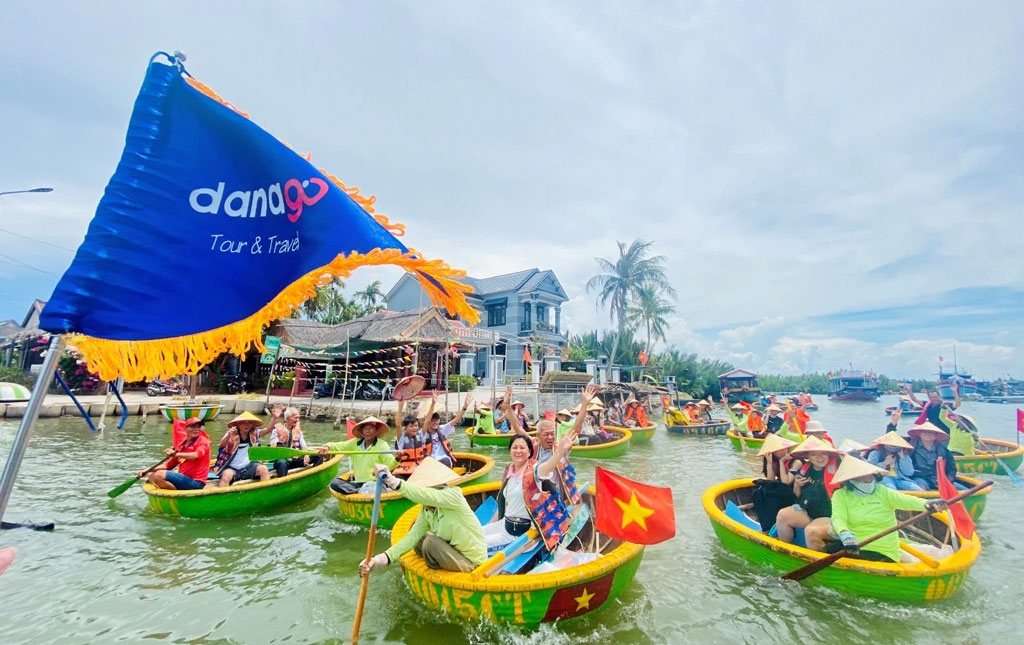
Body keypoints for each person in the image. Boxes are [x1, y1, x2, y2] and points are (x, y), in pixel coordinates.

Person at [360, 457, 486, 575]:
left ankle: (437, 573)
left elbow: (425, 495)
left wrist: (392, 481)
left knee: (430, 543)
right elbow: (412, 537)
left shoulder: (453, 495)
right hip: (452, 552)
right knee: (419, 538)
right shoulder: (427, 508)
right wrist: (381, 559)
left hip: (471, 562)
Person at [829, 456, 946, 562]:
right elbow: (838, 518)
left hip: (884, 551)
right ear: (851, 479)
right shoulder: (841, 495)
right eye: (860, 476)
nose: (867, 479)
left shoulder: (882, 491)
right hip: (853, 545)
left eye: (869, 474)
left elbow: (906, 500)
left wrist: (927, 504)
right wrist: (845, 534)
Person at [481, 428, 577, 550]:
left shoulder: (534, 470)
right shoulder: (510, 472)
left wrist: (560, 451)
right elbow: (503, 504)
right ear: (510, 451)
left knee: (476, 543)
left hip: (521, 533)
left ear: (529, 452)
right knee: (474, 533)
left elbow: (548, 467)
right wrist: (490, 525)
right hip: (506, 524)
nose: (518, 451)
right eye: (515, 447)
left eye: (522, 448)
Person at [775, 436, 841, 551]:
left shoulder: (838, 467)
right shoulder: (806, 469)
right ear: (808, 456)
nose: (819, 457)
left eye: (823, 453)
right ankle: (785, 550)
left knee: (810, 531)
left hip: (830, 515)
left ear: (828, 454)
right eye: (814, 454)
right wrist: (797, 485)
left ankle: (819, 559)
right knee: (782, 515)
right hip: (810, 512)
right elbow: (798, 496)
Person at [320, 416, 399, 495]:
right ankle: (359, 491)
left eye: (370, 428)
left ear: (376, 431)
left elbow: (390, 464)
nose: (367, 431)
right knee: (335, 483)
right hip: (358, 484)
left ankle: (362, 492)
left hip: (374, 482)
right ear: (362, 431)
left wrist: (398, 458)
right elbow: (338, 446)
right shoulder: (355, 443)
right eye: (365, 429)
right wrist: (327, 446)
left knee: (372, 487)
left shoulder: (382, 445)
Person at [140, 417, 211, 490]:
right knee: (151, 475)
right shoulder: (181, 445)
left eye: (198, 427)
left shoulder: (203, 441)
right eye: (193, 427)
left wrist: (176, 454)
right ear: (185, 429)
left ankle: (177, 493)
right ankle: (173, 492)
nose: (196, 429)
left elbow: (196, 455)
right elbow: (169, 465)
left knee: (159, 475)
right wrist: (149, 470)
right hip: (184, 479)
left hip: (196, 482)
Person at [750, 433, 798, 531]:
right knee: (759, 492)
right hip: (783, 490)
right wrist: (769, 462)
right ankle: (767, 525)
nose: (781, 452)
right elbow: (770, 479)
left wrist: (781, 462)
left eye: (783, 448)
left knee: (769, 495)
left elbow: (786, 482)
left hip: (793, 491)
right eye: (777, 450)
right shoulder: (772, 459)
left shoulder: (796, 461)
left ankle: (770, 526)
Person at [215, 412, 271, 486]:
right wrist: (228, 435)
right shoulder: (231, 433)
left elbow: (267, 430)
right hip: (232, 467)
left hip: (249, 466)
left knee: (263, 469)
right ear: (238, 424)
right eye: (243, 423)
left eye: (249, 423)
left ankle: (265, 491)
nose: (246, 426)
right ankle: (222, 493)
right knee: (226, 475)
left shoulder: (253, 433)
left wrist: (274, 419)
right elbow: (222, 445)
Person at [419, 392, 470, 468]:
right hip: (430, 461)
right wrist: (433, 403)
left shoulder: (442, 429)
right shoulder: (423, 433)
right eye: (432, 420)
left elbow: (456, 420)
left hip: (443, 459)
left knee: (443, 463)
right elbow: (427, 421)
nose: (435, 422)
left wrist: (465, 407)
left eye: (437, 420)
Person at [269, 407, 321, 478]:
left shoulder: (298, 431)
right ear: (287, 418)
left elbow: (303, 446)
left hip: (296, 459)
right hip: (283, 460)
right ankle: (283, 482)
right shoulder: (276, 431)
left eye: (298, 418)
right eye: (295, 418)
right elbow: (272, 449)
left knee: (318, 456)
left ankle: (314, 477)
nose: (298, 420)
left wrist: (306, 455)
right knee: (281, 463)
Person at [908, 422, 962, 490]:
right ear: (920, 434)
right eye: (925, 432)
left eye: (931, 432)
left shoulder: (943, 450)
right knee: (921, 489)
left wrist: (948, 480)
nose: (928, 435)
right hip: (920, 478)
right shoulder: (911, 448)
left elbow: (952, 469)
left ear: (936, 435)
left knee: (964, 490)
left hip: (939, 478)